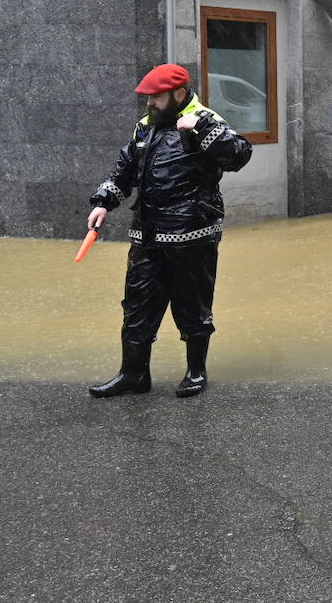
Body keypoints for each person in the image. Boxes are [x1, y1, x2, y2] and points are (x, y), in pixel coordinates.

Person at [86, 64, 252, 398]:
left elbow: (239, 155)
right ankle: (133, 374)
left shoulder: (206, 119)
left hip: (191, 235)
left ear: (178, 94)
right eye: (147, 97)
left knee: (192, 305)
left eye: (156, 97)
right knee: (137, 303)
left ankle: (195, 372)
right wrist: (104, 202)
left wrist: (202, 128)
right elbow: (125, 171)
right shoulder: (146, 127)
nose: (149, 103)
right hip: (146, 235)